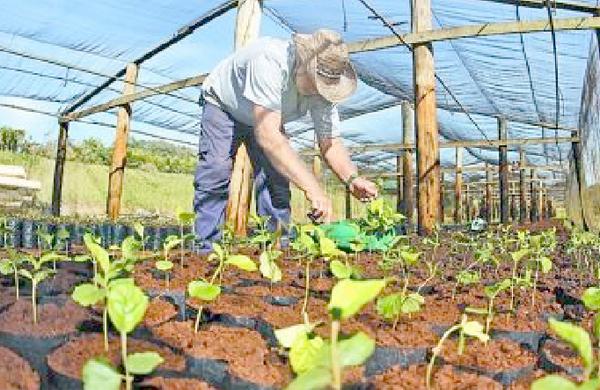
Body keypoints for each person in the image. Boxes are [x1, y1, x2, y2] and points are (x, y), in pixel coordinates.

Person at [194, 29, 378, 249]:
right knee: (216, 169)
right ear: (301, 65)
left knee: (276, 178)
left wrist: (352, 179)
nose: (320, 90)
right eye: (316, 82)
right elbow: (269, 136)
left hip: (266, 116)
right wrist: (314, 189)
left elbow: (330, 142)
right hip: (224, 105)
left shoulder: (323, 91)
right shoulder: (269, 60)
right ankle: (205, 249)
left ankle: (276, 247)